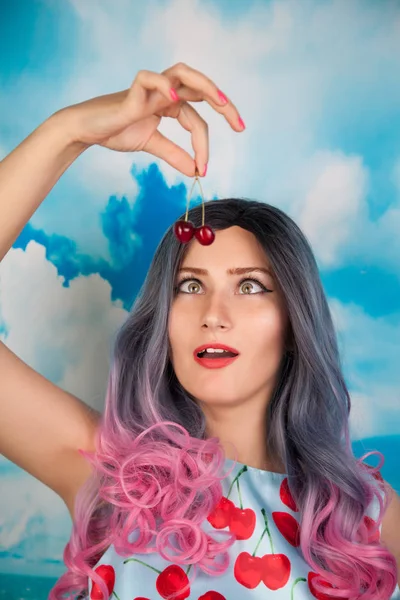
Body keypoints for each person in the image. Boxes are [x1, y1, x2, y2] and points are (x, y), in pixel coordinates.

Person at [0, 63, 399, 600]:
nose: (214, 312)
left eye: (251, 286)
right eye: (189, 286)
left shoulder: (371, 519)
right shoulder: (114, 482)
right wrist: (69, 132)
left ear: (296, 321)